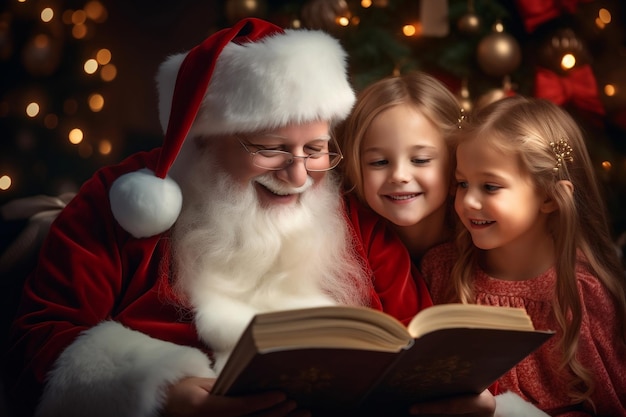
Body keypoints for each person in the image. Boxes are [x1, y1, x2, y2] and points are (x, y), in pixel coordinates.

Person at [2, 17, 505, 417]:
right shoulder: (123, 200)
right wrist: (162, 393)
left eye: (316, 149)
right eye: (270, 149)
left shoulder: (353, 214)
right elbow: (43, 335)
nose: (299, 176)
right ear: (203, 140)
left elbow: (414, 338)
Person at [421, 96, 626, 416]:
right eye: (462, 183)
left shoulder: (580, 293)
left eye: (490, 186)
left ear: (549, 197)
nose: (468, 201)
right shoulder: (443, 269)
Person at [337, 71, 460, 266]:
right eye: (379, 162)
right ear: (355, 167)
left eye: (420, 160)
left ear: (455, 164)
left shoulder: (480, 246)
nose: (399, 176)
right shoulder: (342, 242)